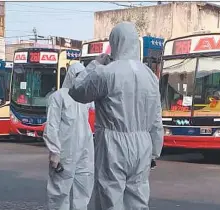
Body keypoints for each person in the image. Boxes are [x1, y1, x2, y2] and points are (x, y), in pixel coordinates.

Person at [68, 22, 164, 210]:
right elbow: (156, 117)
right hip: (143, 144)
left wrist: (94, 64)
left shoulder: (106, 73)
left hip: (114, 144)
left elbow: (77, 91)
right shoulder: (150, 76)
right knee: (138, 199)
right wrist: (154, 151)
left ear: (115, 42)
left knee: (110, 198)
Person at [43, 62, 94, 210]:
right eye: (78, 76)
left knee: (83, 187)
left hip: (84, 150)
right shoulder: (59, 96)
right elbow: (52, 125)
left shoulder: (85, 97)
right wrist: (54, 151)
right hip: (65, 151)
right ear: (71, 75)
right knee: (59, 190)